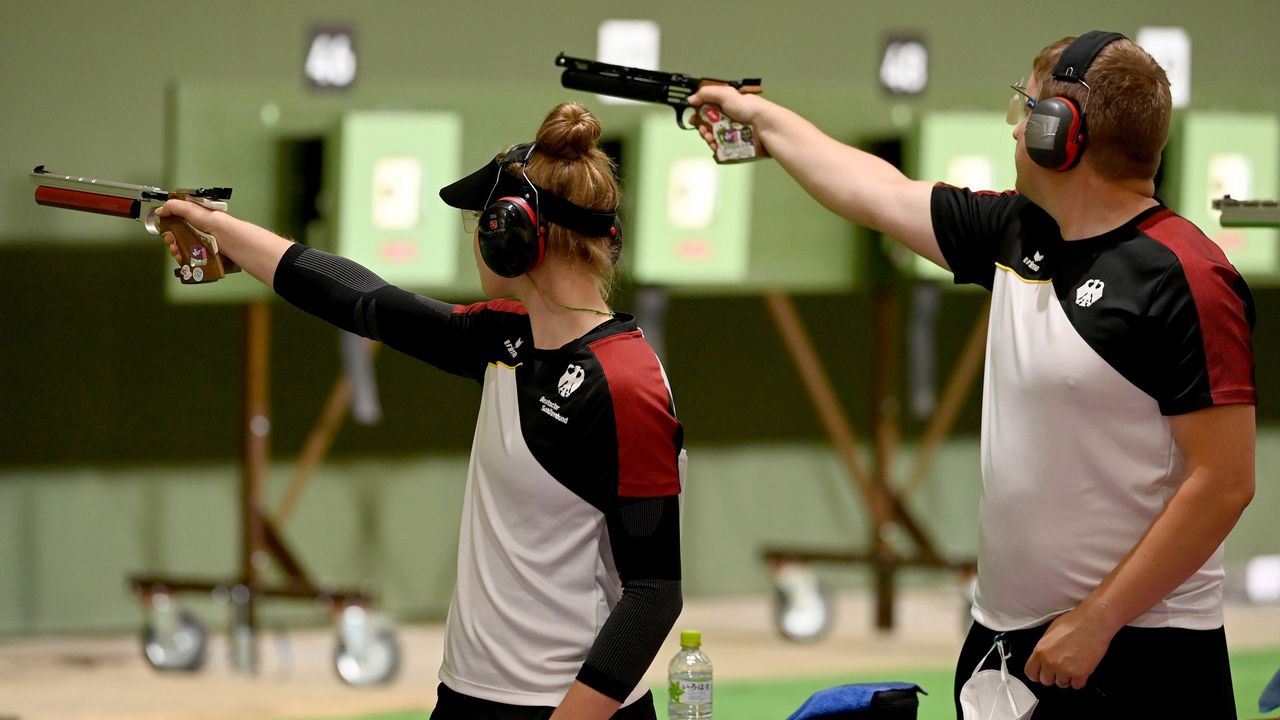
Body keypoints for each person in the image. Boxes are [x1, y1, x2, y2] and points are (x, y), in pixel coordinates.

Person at [690, 31, 1255, 719]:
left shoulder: (1187, 277)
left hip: (1140, 651)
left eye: (1028, 106)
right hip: (1008, 640)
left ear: (1061, 134)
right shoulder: (1019, 233)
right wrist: (760, 118)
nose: (1015, 123)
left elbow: (1223, 482)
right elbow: (875, 191)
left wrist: (1097, 621)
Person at [158, 102, 686, 720]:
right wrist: (215, 227)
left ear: (511, 235)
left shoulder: (626, 383)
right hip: (467, 695)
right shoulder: (507, 338)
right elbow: (362, 298)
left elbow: (653, 596)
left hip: (563, 709)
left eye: (481, 221)